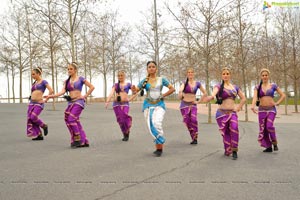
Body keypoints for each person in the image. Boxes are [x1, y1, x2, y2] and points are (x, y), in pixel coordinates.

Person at [46, 62, 95, 148]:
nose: (69, 70)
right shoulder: (67, 81)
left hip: (79, 102)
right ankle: (84, 141)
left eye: (71, 69)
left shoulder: (81, 79)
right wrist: (51, 96)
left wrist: (85, 96)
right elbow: (62, 92)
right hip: (71, 103)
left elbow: (92, 87)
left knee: (71, 119)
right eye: (68, 69)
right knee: (70, 120)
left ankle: (78, 139)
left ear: (75, 70)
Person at [132, 61, 175, 156]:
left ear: (156, 68)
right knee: (151, 126)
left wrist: (163, 95)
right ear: (147, 69)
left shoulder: (162, 79)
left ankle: (160, 142)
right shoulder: (144, 81)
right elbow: (136, 91)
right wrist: (133, 89)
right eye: (149, 67)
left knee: (157, 123)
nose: (151, 68)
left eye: (153, 66)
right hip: (148, 106)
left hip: (159, 105)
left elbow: (172, 89)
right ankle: (159, 149)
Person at [202, 67, 246, 160]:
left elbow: (243, 98)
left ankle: (234, 150)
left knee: (234, 129)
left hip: (232, 113)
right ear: (221, 76)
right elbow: (214, 94)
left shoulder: (235, 87)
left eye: (227, 74)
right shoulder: (218, 86)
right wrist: (210, 97)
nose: (225, 75)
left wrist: (238, 108)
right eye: (224, 74)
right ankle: (228, 149)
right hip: (221, 114)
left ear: (230, 75)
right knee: (225, 132)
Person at [251, 68, 285, 152]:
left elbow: (283, 95)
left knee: (269, 126)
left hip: (271, 109)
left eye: (266, 75)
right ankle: (268, 147)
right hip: (262, 110)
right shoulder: (257, 87)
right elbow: (255, 97)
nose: (264, 76)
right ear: (261, 77)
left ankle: (274, 142)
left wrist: (277, 103)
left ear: (268, 76)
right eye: (263, 75)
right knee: (263, 129)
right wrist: (252, 106)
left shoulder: (273, 85)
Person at [178, 68, 207, 145]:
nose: (190, 73)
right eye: (189, 72)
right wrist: (180, 92)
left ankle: (195, 136)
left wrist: (199, 101)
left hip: (193, 104)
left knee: (194, 120)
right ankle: (193, 137)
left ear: (193, 74)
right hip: (184, 105)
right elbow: (180, 90)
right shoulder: (184, 83)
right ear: (187, 74)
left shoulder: (197, 83)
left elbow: (205, 93)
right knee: (187, 121)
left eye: (191, 72)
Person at [105, 70, 135, 141]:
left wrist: (130, 99)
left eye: (122, 75)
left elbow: (135, 92)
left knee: (124, 117)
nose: (120, 77)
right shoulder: (115, 85)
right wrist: (107, 101)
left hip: (125, 104)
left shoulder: (128, 84)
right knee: (120, 120)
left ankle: (127, 130)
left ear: (124, 76)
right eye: (119, 76)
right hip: (116, 104)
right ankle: (125, 133)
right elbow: (111, 93)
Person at [27, 67, 54, 140]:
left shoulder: (44, 82)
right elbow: (33, 92)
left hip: (39, 103)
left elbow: (51, 90)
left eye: (33, 74)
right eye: (31, 74)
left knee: (33, 117)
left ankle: (44, 126)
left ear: (38, 74)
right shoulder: (34, 83)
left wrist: (46, 99)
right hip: (31, 103)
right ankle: (39, 135)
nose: (32, 76)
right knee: (31, 119)